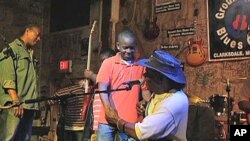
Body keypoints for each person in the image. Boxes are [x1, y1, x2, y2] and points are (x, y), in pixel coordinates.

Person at [105, 50, 189, 141]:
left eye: (148, 73)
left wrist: (116, 120)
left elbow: (140, 133)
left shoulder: (173, 103)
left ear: (161, 79)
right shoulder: (160, 92)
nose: (144, 75)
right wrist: (146, 108)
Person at [96, 29, 151, 141]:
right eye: (125, 47)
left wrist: (146, 104)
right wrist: (108, 109)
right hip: (108, 120)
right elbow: (102, 88)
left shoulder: (141, 65)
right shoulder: (109, 63)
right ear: (118, 46)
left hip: (130, 121)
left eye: (131, 47)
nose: (128, 51)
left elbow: (145, 90)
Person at [0, 24, 41, 141]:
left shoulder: (30, 54)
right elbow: (7, 78)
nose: (38, 39)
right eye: (37, 35)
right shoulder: (11, 50)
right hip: (14, 106)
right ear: (27, 31)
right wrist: (15, 100)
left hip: (28, 106)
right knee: (8, 138)